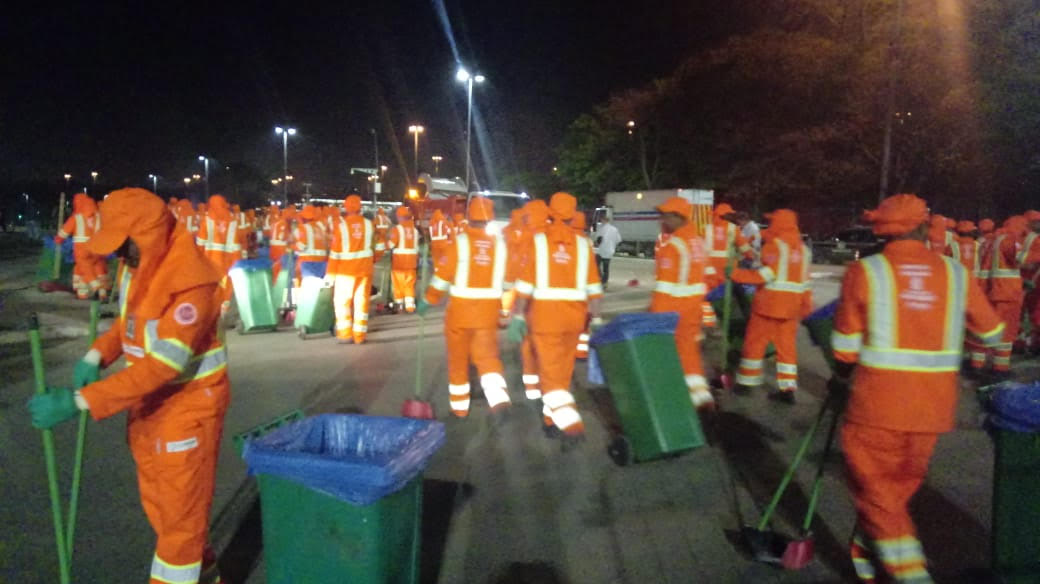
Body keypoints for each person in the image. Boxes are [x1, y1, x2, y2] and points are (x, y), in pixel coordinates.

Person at [29, 188, 229, 584]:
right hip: (149, 408)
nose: (120, 256)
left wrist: (80, 401)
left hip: (187, 411)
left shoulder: (192, 285)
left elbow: (162, 367)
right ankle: (205, 575)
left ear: (149, 235)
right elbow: (130, 325)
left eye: (125, 245)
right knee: (164, 512)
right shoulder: (141, 267)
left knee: (179, 527)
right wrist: (96, 355)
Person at [831, 194, 1003, 583]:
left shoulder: (867, 271)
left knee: (878, 496)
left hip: (876, 408)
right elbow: (992, 332)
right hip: (932, 413)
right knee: (892, 495)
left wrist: (841, 376)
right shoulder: (955, 273)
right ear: (923, 226)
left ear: (882, 230)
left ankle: (911, 575)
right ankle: (866, 557)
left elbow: (843, 347)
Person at [509, 193, 603, 439]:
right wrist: (597, 319)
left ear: (551, 212)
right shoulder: (584, 245)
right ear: (573, 214)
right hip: (574, 320)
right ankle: (550, 420)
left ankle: (571, 424)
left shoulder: (539, 242)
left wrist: (518, 316)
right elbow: (594, 288)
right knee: (561, 373)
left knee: (550, 377)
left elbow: (526, 286)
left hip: (544, 319)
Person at [417, 197, 512, 417]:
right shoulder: (500, 247)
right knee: (487, 357)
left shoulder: (459, 243)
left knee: (458, 359)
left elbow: (442, 277)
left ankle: (459, 408)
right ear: (491, 219)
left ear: (469, 217)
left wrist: (428, 300)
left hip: (459, 314)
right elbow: (508, 283)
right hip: (488, 314)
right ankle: (498, 398)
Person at [731, 209, 812, 402]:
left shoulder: (775, 246)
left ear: (779, 224)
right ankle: (788, 389)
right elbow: (805, 283)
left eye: (772, 222)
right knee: (786, 348)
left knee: (755, 343)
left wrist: (735, 274)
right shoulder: (804, 250)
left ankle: (746, 383)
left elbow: (765, 275)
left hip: (769, 306)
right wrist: (805, 308)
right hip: (791, 309)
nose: (770, 226)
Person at [650, 196, 714, 411]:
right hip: (692, 311)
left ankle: (670, 402)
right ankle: (701, 398)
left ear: (678, 217)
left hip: (673, 314)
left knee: (666, 358)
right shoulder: (698, 242)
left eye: (666, 214)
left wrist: (654, 319)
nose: (662, 218)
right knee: (690, 356)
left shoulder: (674, 245)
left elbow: (664, 289)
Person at [328, 195, 380, 344]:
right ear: (360, 207)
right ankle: (359, 335)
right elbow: (376, 246)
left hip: (345, 271)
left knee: (342, 302)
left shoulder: (341, 227)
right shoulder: (370, 225)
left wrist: (330, 275)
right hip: (365, 270)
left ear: (346, 207)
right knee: (362, 301)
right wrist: (373, 259)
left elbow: (335, 253)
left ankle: (345, 334)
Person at [981, 215, 1028, 379]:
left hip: (996, 291)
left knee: (998, 331)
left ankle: (990, 365)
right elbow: (1021, 259)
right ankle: (1000, 369)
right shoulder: (1010, 239)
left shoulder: (995, 240)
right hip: (1008, 293)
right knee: (1007, 333)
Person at [55, 192, 109, 300]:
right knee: (98, 268)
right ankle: (100, 292)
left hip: (82, 249)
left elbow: (64, 231)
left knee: (85, 268)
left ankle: (95, 287)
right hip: (98, 249)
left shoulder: (76, 217)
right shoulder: (99, 215)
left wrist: (58, 240)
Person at [704, 203, 752, 290]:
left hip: (709, 266)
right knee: (726, 292)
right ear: (727, 215)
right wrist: (749, 256)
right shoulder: (733, 228)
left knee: (711, 290)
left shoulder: (706, 228)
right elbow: (745, 248)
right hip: (728, 266)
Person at [388, 206, 419, 312]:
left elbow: (391, 244)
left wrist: (385, 245)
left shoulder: (397, 229)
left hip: (399, 263)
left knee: (398, 284)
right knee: (409, 284)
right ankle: (410, 306)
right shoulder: (415, 230)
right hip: (412, 262)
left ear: (399, 217)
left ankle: (399, 306)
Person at [292, 204, 329, 286]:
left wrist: (291, 247)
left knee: (309, 288)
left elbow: (301, 246)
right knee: (319, 287)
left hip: (308, 263)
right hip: (322, 262)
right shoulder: (321, 227)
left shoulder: (303, 228)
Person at [593, 214, 622, 290]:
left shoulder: (602, 229)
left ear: (604, 220)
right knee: (606, 268)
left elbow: (598, 239)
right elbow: (619, 240)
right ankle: (605, 283)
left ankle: (600, 279)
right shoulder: (615, 229)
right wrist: (612, 244)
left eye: (601, 220)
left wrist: (597, 243)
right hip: (610, 251)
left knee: (595, 265)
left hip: (601, 250)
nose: (601, 221)